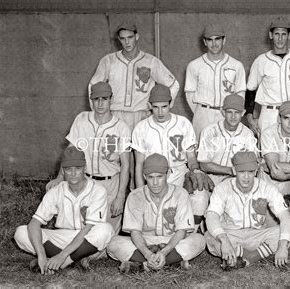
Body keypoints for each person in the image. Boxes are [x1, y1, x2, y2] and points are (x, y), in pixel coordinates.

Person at [89, 21, 179, 188]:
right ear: (118, 40)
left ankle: (138, 196)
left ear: (137, 36)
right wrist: (99, 113)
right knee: (115, 159)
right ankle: (116, 199)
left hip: (142, 116)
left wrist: (158, 108)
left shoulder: (151, 61)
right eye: (123, 39)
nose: (127, 42)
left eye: (130, 37)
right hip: (115, 116)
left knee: (141, 160)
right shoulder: (109, 61)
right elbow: (93, 86)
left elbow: (173, 85)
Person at [46, 82, 131, 235]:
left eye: (104, 99)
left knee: (107, 233)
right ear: (91, 100)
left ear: (111, 99)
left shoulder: (121, 127)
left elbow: (125, 165)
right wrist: (60, 177)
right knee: (81, 227)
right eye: (96, 99)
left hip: (111, 183)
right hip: (85, 181)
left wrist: (120, 195)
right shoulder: (82, 119)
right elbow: (70, 151)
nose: (100, 103)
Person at [14, 147, 113, 274]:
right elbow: (34, 223)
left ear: (85, 168)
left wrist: (62, 256)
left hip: (86, 240)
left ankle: (63, 262)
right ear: (62, 170)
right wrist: (41, 254)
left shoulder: (98, 190)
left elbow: (88, 228)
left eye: (78, 168)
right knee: (21, 232)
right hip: (62, 237)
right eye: (68, 169)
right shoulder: (56, 191)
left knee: (105, 229)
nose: (73, 173)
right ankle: (71, 260)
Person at [132, 84, 214, 230]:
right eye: (155, 107)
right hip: (154, 178)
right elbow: (139, 164)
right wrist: (140, 192)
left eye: (164, 106)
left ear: (171, 103)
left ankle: (191, 232)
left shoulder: (183, 123)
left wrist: (195, 170)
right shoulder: (141, 128)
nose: (160, 111)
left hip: (179, 174)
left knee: (201, 197)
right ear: (149, 105)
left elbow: (191, 157)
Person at [107, 154, 206, 273]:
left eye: (159, 177)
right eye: (150, 177)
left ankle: (144, 264)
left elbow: (181, 231)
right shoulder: (135, 196)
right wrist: (147, 253)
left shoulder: (180, 194)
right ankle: (170, 262)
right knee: (113, 244)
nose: (155, 182)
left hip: (171, 240)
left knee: (199, 240)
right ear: (144, 176)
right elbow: (135, 232)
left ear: (168, 174)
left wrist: (165, 251)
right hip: (144, 242)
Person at [205, 151, 290, 270]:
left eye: (251, 171)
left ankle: (247, 258)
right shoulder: (222, 188)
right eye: (242, 172)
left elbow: (284, 215)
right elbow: (212, 215)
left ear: (256, 170)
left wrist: (283, 246)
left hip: (258, 234)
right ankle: (258, 253)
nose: (246, 177)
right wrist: (224, 240)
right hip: (231, 234)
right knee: (209, 236)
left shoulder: (266, 187)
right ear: (234, 170)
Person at [245, 16, 290, 136]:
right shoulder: (261, 60)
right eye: (276, 34)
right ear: (270, 35)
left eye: (283, 34)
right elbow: (250, 90)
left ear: (289, 35)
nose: (280, 38)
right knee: (268, 153)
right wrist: (249, 117)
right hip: (269, 114)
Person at [185, 23, 246, 140]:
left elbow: (240, 94)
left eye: (217, 39)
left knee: (227, 151)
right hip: (203, 114)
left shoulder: (236, 65)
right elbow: (189, 94)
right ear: (204, 42)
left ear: (224, 40)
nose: (214, 44)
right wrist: (201, 111)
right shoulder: (194, 65)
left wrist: (231, 113)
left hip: (227, 114)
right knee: (202, 152)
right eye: (210, 40)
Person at [198, 93, 257, 186]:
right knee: (199, 198)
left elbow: (251, 165)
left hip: (234, 180)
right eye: (229, 112)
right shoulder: (209, 131)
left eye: (237, 112)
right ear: (223, 112)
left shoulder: (248, 135)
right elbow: (203, 164)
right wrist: (229, 170)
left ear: (243, 113)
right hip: (209, 177)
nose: (233, 117)